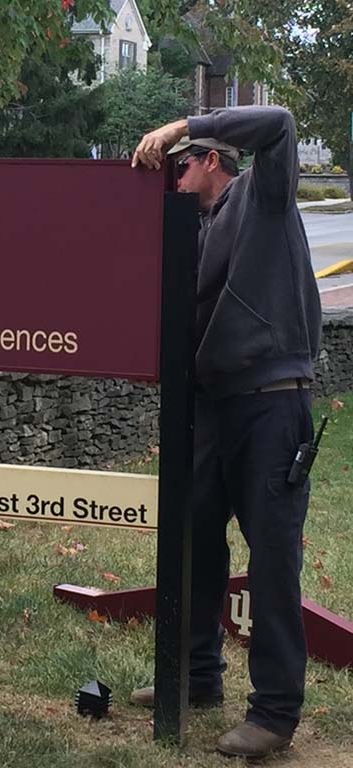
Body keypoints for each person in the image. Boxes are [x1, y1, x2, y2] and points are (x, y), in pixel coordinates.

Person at [130, 106, 322, 759]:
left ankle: (273, 713)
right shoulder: (194, 229)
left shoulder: (261, 199)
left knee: (272, 560)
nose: (174, 173)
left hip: (271, 406)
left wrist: (183, 124)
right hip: (213, 408)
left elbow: (281, 124)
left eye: (182, 163)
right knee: (195, 543)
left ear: (211, 159)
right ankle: (194, 678)